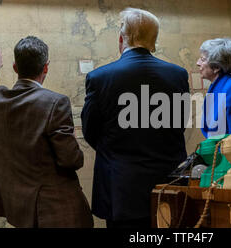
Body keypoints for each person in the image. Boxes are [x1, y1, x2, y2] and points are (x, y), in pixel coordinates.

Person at [81, 8, 189, 228]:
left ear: (121, 38)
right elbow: (179, 125)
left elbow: (90, 131)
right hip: (168, 183)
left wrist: (115, 151)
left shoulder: (99, 78)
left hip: (122, 187)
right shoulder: (178, 75)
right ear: (154, 40)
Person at [0, 36, 93, 228]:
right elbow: (71, 160)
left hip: (19, 210)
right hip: (57, 212)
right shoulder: (55, 102)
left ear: (14, 67)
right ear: (46, 67)